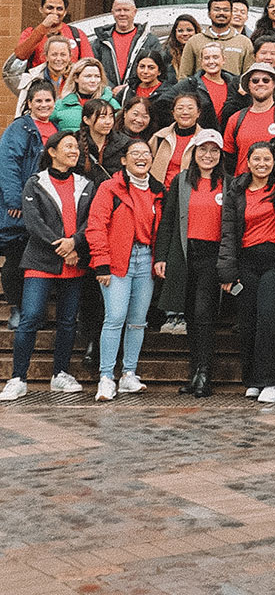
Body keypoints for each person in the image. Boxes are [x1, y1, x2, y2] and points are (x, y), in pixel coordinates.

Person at [0, 130, 95, 401]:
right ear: (52, 152)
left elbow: (90, 221)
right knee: (30, 318)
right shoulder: (35, 182)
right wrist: (62, 247)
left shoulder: (86, 184)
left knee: (68, 321)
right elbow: (33, 223)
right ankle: (18, 378)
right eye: (68, 146)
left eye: (76, 147)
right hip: (41, 261)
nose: (74, 151)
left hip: (74, 260)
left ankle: (60, 374)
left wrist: (74, 243)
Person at [218, 140, 275, 404]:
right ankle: (253, 380)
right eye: (256, 159)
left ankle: (272, 381)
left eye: (267, 159)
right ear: (248, 162)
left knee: (269, 319)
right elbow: (228, 231)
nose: (262, 164)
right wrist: (227, 271)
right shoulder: (236, 190)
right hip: (247, 260)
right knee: (248, 322)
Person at [87, 137, 164, 400]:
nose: (141, 157)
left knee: (138, 321)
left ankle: (129, 373)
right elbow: (96, 225)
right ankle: (106, 377)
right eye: (135, 153)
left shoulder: (157, 190)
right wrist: (101, 262)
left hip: (146, 259)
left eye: (146, 153)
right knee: (115, 318)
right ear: (123, 160)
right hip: (117, 259)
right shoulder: (110, 188)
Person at [154, 128, 226, 397]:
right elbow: (168, 220)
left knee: (204, 313)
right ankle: (194, 372)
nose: (208, 155)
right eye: (203, 150)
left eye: (214, 151)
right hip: (186, 254)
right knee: (191, 315)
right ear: (194, 153)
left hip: (212, 255)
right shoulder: (181, 180)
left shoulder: (228, 183)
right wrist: (161, 256)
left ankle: (205, 373)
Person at [0, 82, 57, 324]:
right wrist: (15, 200)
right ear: (29, 103)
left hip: (47, 205)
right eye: (38, 101)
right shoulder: (20, 128)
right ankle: (17, 307)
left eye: (48, 100)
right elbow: (8, 164)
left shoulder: (57, 128)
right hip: (21, 205)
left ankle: (34, 311)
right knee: (16, 257)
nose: (43, 105)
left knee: (38, 260)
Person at [222, 62, 275, 177]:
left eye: (266, 80)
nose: (260, 84)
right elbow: (228, 159)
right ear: (249, 86)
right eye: (255, 81)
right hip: (241, 184)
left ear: (274, 84)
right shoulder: (235, 119)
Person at [93, 0, 161, 94]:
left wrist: (129, 88)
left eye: (126, 10)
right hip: (106, 96)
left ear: (134, 12)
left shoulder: (150, 41)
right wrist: (111, 88)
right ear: (112, 12)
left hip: (138, 96)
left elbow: (158, 70)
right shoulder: (100, 41)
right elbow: (94, 69)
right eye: (118, 10)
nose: (122, 14)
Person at [12, 0, 93, 69]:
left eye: (59, 9)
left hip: (69, 77)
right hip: (40, 77)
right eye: (50, 8)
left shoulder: (77, 34)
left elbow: (89, 64)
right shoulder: (30, 32)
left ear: (65, 12)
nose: (54, 12)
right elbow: (20, 55)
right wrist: (43, 27)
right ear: (41, 9)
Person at [178, 0, 254, 78]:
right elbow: (184, 75)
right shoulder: (194, 41)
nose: (221, 13)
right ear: (209, 14)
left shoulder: (244, 42)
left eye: (226, 10)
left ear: (231, 14)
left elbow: (249, 76)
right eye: (216, 9)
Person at [53, 58, 118, 133]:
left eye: (97, 76)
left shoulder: (112, 104)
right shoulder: (61, 105)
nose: (93, 80)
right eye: (88, 76)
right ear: (76, 78)